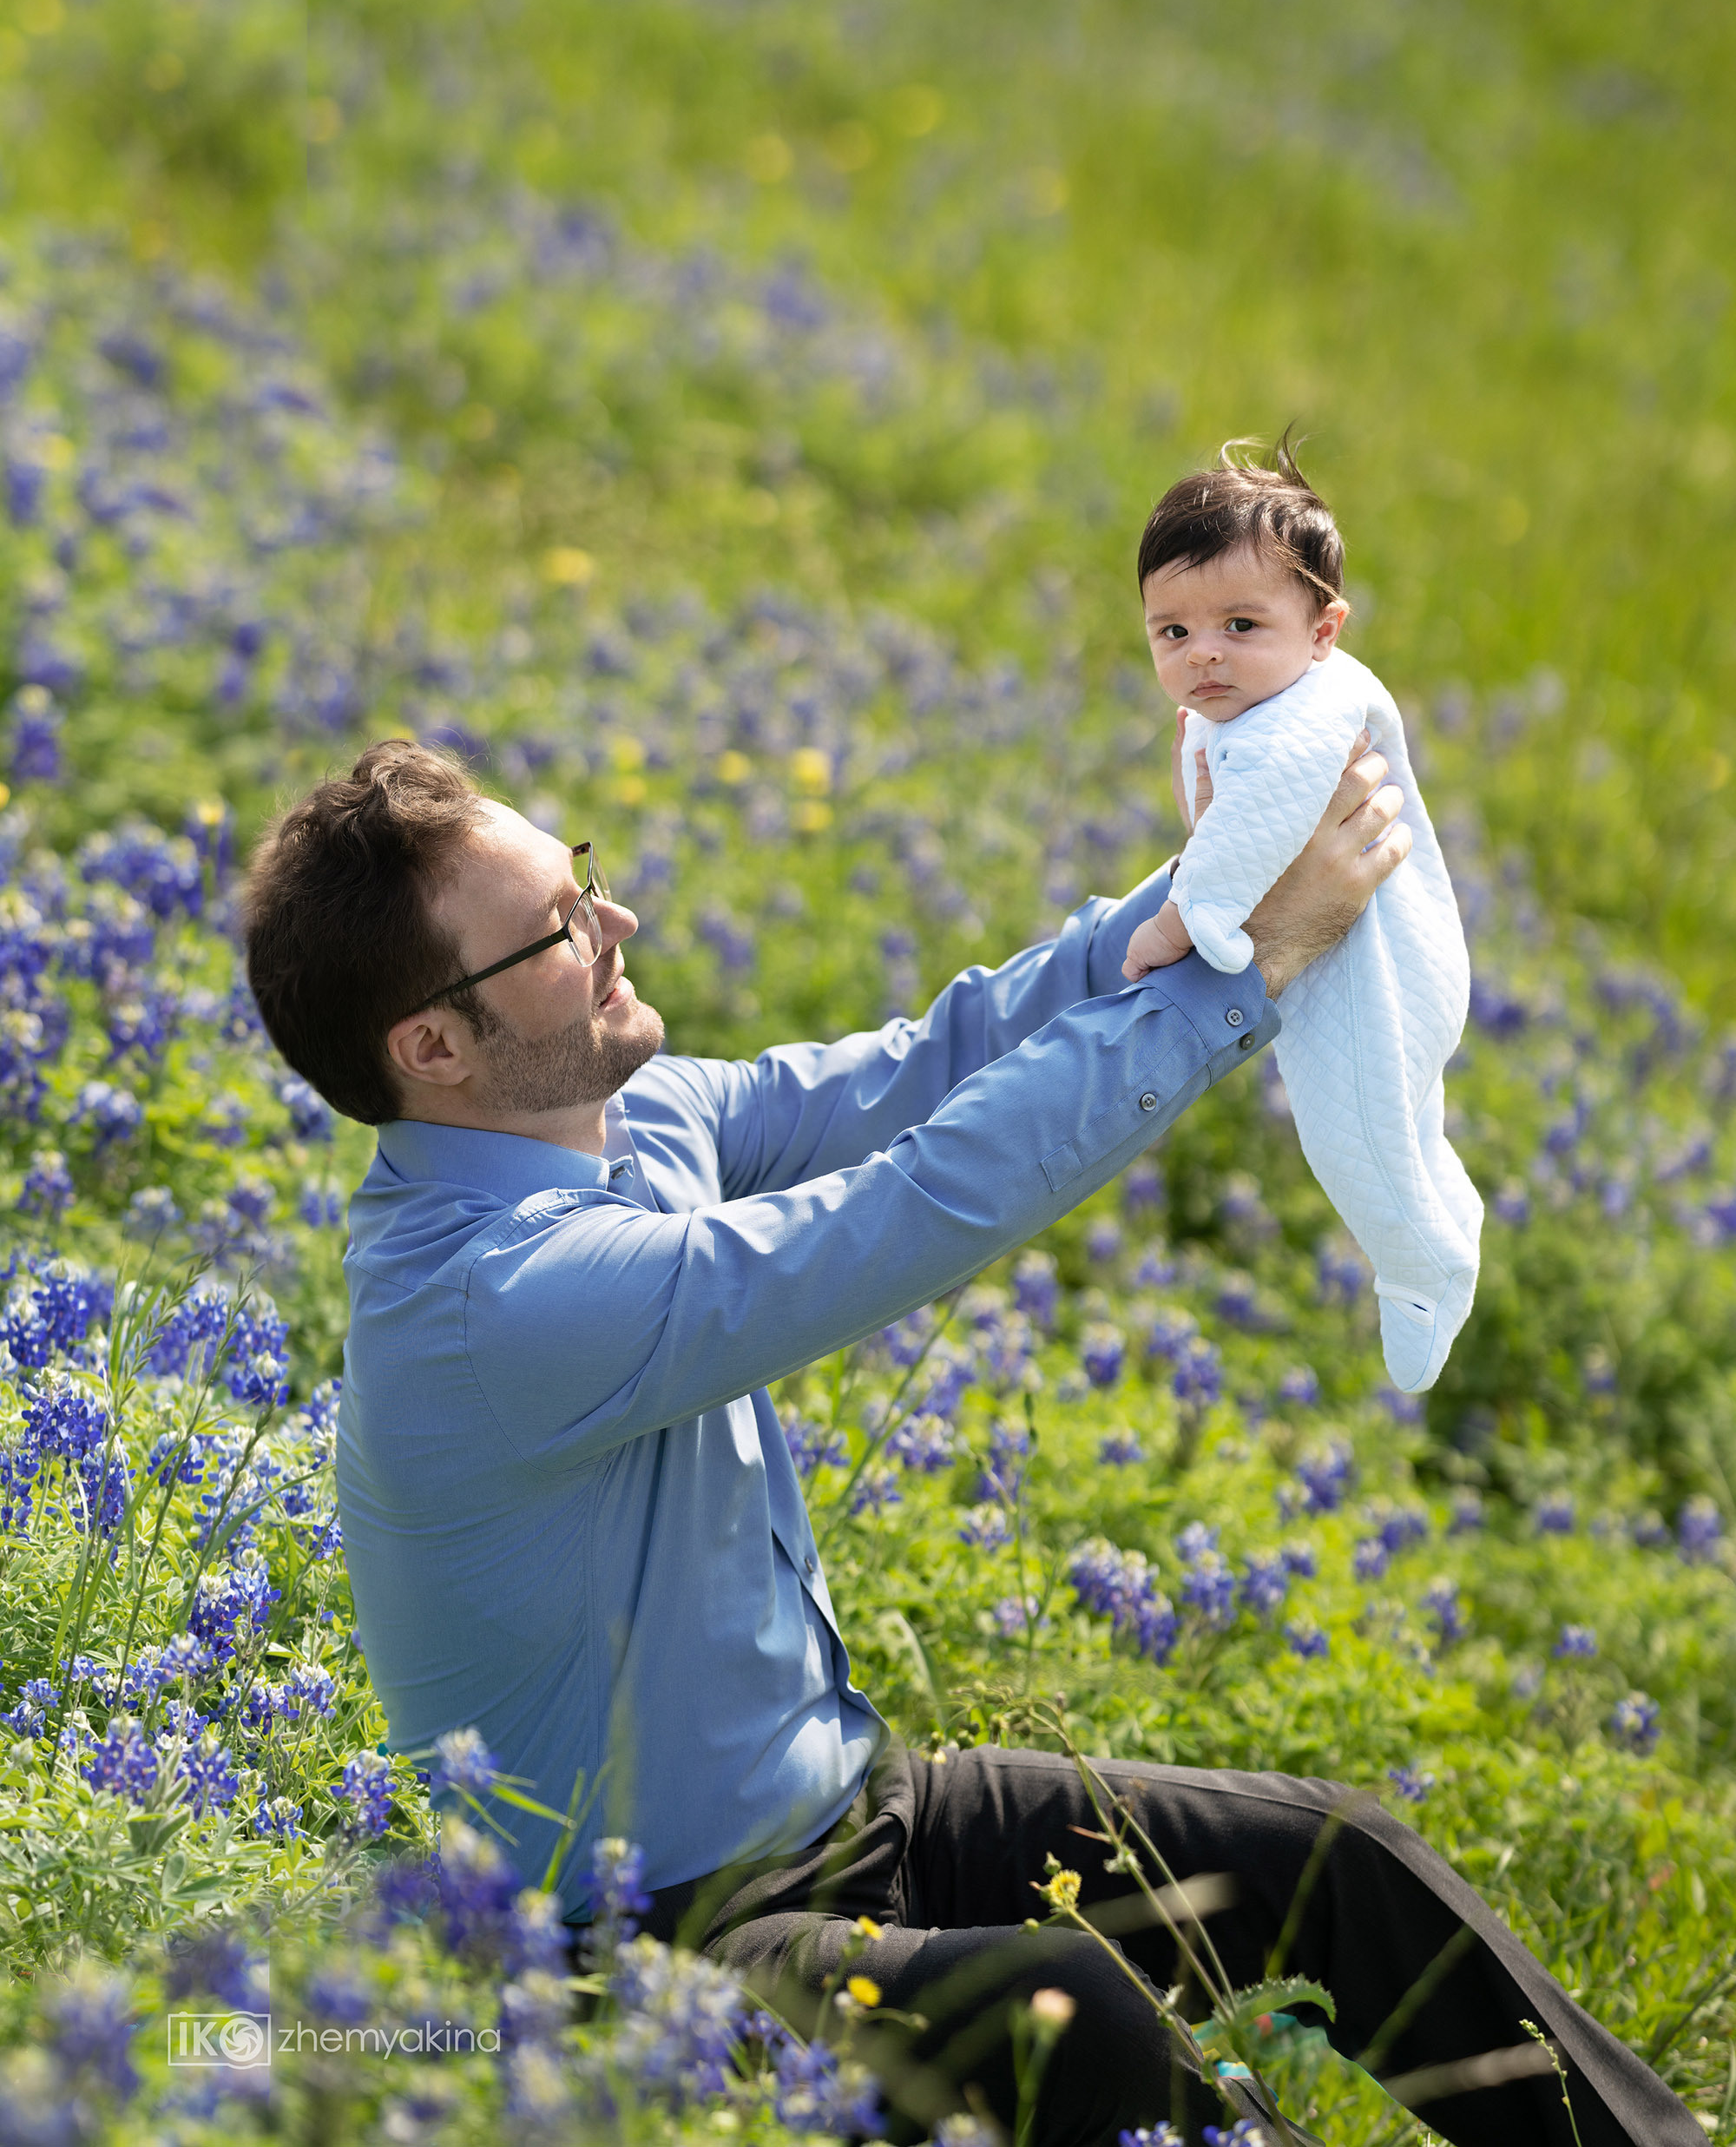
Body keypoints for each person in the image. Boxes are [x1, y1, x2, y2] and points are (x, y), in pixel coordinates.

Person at [242, 738, 1697, 2146]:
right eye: (558, 927)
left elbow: (931, 1063)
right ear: (433, 1045)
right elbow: (916, 1204)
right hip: (656, 1948)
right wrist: (1240, 990)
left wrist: (1208, 899)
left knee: (1330, 1861)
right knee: (1063, 2013)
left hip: (868, 1817)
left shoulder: (625, 1123)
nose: (615, 919)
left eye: (583, 876)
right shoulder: (492, 1307)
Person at [1120, 438, 1481, 1392]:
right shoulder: (1259, 695)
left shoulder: (1301, 719)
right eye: (1172, 632)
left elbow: (1257, 827)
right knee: (1407, 1116)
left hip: (1367, 972)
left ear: (1323, 630)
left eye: (1239, 624)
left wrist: (1178, 922)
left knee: (1350, 1132)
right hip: (1383, 951)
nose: (1202, 653)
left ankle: (1418, 1268)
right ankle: (1447, 1208)